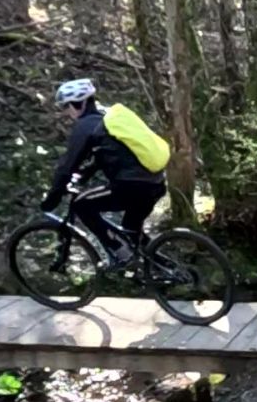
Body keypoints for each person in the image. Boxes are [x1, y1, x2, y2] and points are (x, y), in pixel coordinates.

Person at [41, 78, 166, 267]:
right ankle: (162, 268)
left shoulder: (85, 126)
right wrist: (84, 176)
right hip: (155, 183)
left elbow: (67, 166)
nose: (67, 112)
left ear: (79, 104)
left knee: (81, 205)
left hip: (131, 186)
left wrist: (52, 198)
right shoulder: (107, 118)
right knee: (131, 230)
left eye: (67, 106)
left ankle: (121, 254)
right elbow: (109, 154)